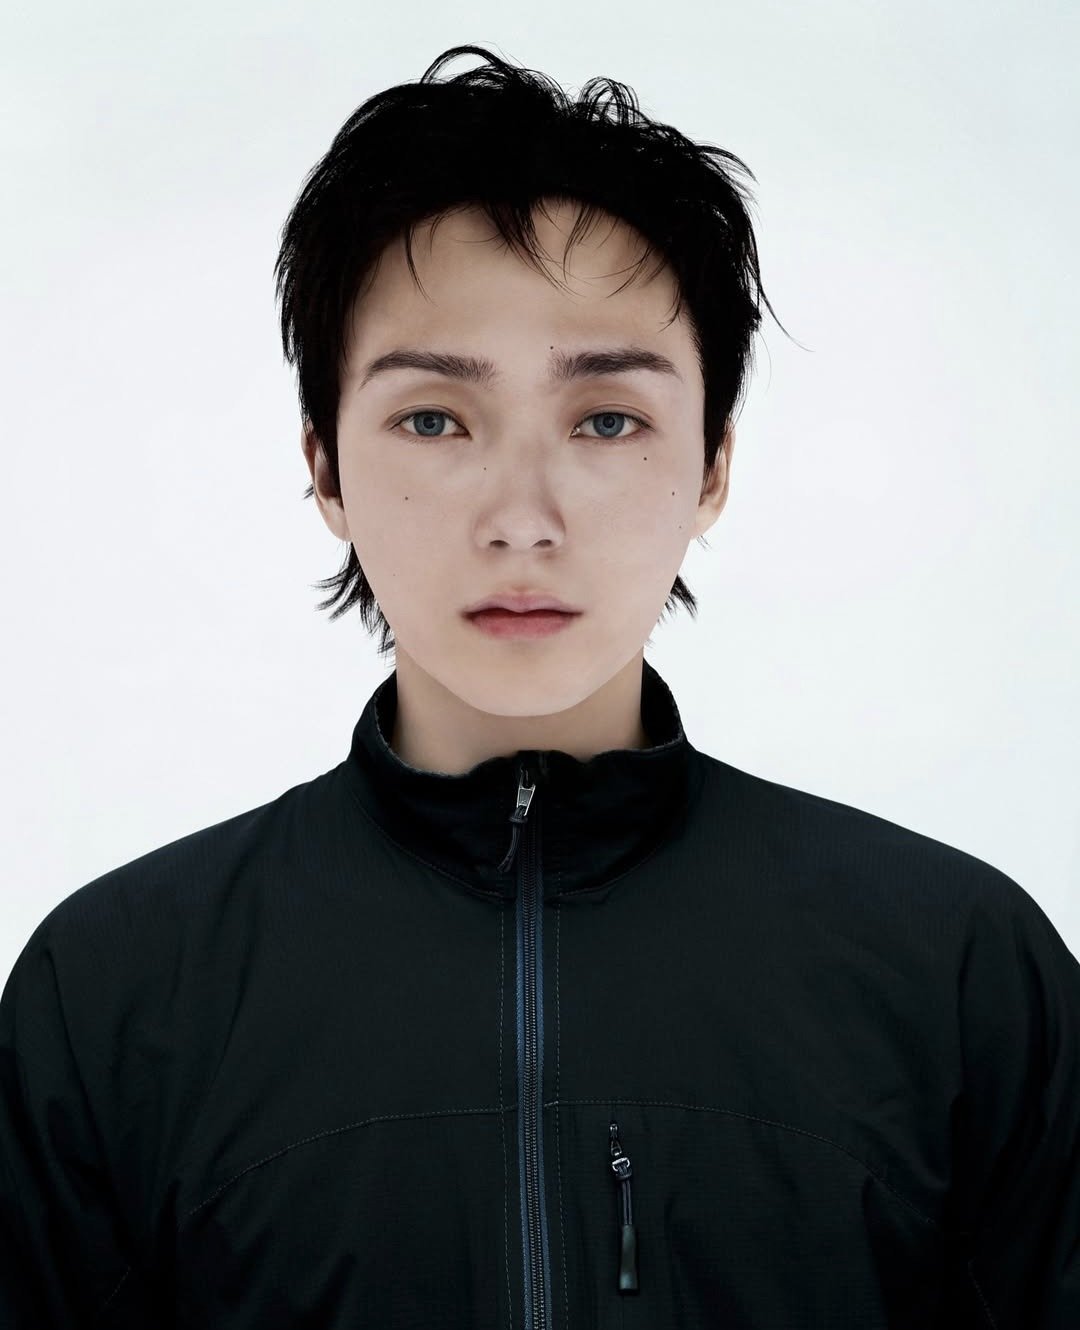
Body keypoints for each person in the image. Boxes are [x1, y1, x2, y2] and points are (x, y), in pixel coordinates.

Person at [2, 44, 1077, 1329]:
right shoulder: (114, 998)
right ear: (325, 466)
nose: (523, 517)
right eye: (435, 420)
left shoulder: (958, 975)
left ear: (713, 464)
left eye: (607, 420)